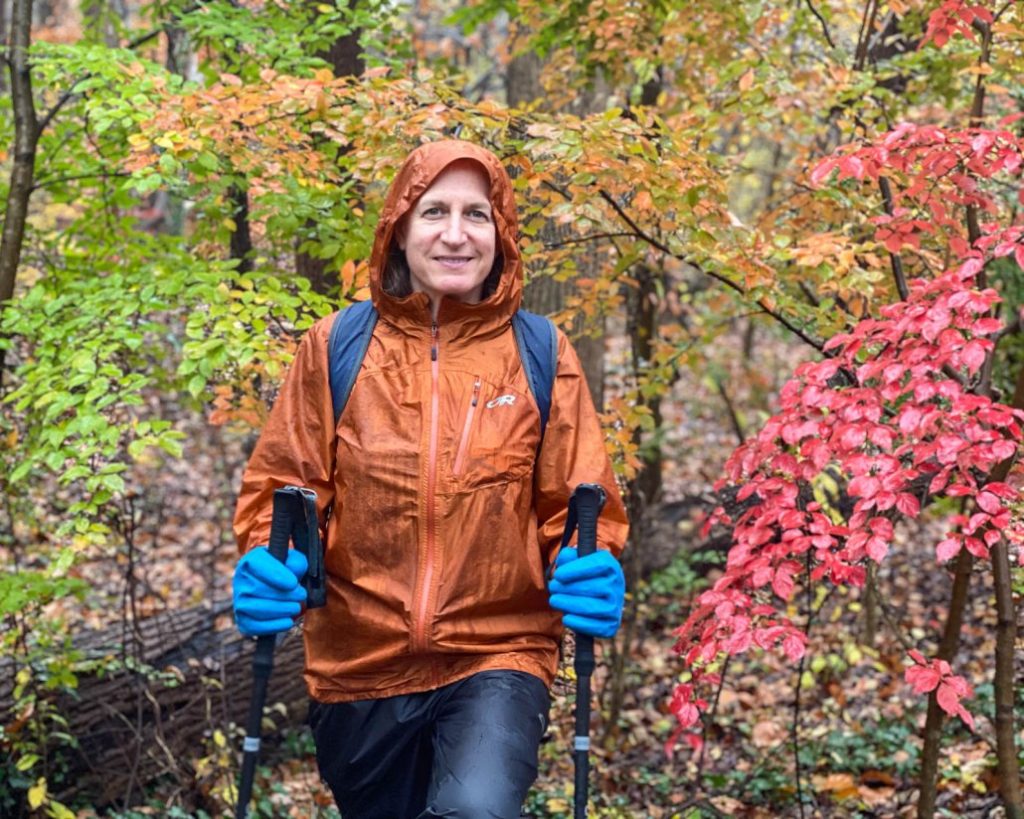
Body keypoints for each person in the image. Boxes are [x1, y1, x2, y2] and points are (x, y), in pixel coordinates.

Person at [231, 140, 629, 818]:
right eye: (433, 211)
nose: (454, 233)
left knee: (475, 808)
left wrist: (590, 562)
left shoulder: (541, 353)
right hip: (357, 664)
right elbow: (285, 494)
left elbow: (577, 506)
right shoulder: (334, 347)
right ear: (399, 229)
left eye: (476, 214)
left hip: (498, 652)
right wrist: (273, 563)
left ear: (499, 235)